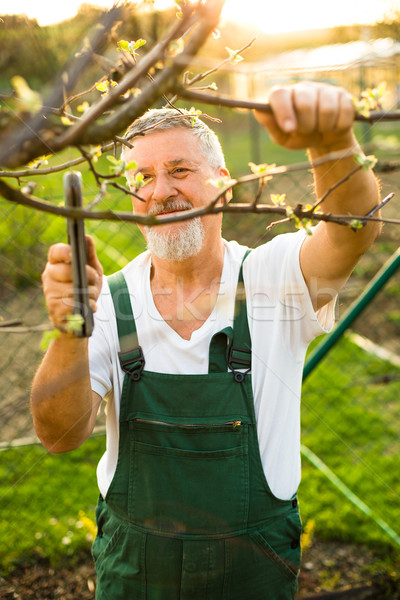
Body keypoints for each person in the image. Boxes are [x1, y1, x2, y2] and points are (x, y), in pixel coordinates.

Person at [31, 82, 380, 599]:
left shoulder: (274, 278)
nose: (159, 191)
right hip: (134, 573)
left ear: (225, 183)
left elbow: (353, 229)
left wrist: (330, 142)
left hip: (253, 571)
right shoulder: (108, 300)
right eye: (142, 177)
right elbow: (59, 436)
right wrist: (69, 330)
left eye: (179, 170)